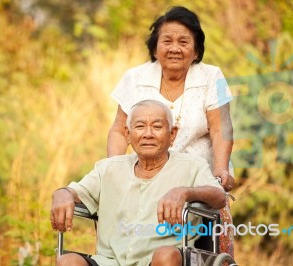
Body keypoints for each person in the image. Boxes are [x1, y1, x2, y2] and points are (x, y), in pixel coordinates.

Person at [107, 6, 235, 256]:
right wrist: (114, 170)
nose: (174, 48)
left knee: (207, 252)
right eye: (167, 40)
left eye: (183, 41)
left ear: (196, 50)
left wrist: (221, 170)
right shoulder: (135, 77)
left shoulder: (213, 76)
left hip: (198, 182)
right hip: (145, 180)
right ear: (155, 48)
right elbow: (120, 131)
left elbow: (221, 130)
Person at [51, 100, 226, 266]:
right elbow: (75, 191)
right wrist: (62, 194)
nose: (148, 134)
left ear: (172, 134)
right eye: (140, 126)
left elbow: (219, 197)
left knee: (165, 255)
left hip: (160, 260)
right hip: (110, 261)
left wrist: (185, 192)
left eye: (157, 127)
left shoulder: (192, 165)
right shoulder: (108, 168)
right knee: (67, 261)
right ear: (128, 134)